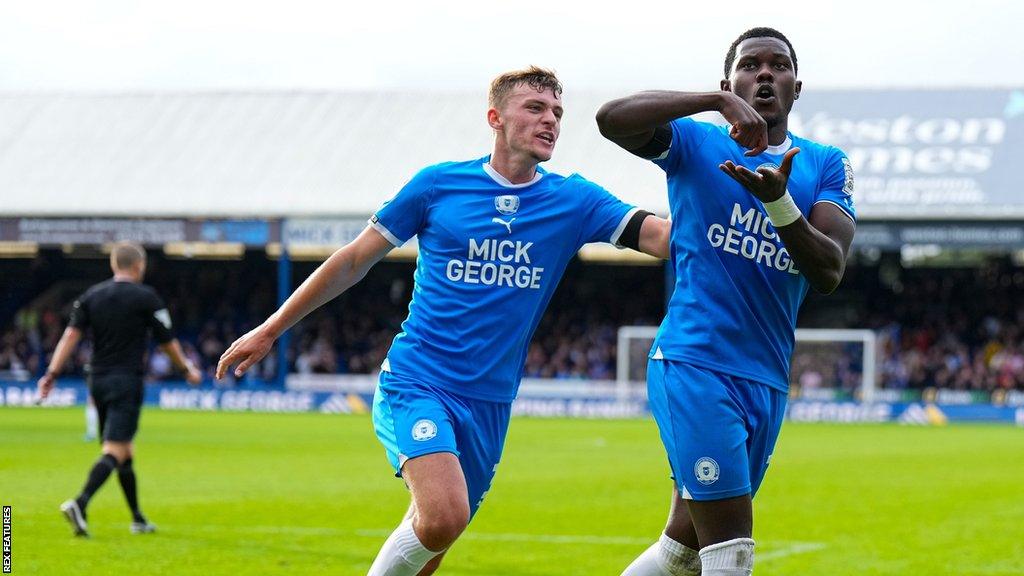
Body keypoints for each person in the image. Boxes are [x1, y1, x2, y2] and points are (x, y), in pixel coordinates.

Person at [216, 66, 670, 576]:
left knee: (432, 546)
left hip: (491, 402)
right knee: (442, 516)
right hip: (419, 381)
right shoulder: (438, 185)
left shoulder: (575, 199)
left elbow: (662, 239)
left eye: (558, 113)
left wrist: (746, 208)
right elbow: (354, 259)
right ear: (495, 118)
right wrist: (271, 328)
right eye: (536, 108)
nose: (551, 121)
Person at [596, 28, 856, 576]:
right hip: (696, 362)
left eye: (778, 65)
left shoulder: (825, 164)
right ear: (730, 81)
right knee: (731, 550)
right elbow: (611, 118)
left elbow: (829, 270)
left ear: (796, 86)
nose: (765, 74)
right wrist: (714, 104)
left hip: (764, 378)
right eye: (750, 66)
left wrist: (779, 203)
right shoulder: (696, 143)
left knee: (683, 550)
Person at [38, 242, 202, 537]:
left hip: (97, 380)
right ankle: (80, 502)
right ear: (139, 266)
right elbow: (167, 342)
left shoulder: (91, 296)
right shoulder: (146, 298)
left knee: (124, 450)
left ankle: (137, 518)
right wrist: (186, 369)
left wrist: (51, 372)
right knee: (114, 449)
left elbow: (69, 337)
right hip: (126, 380)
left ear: (114, 265)